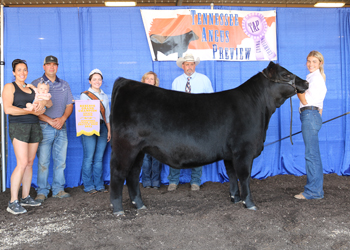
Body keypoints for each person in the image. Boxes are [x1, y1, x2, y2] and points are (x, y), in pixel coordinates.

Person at [2, 59, 51, 214]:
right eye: (19, 70)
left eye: (25, 70)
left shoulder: (32, 89)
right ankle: (12, 202)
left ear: (27, 72)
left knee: (30, 163)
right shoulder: (9, 87)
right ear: (13, 72)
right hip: (19, 126)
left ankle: (25, 196)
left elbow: (46, 104)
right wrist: (30, 111)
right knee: (22, 163)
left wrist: (42, 105)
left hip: (34, 126)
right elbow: (8, 109)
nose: (22, 73)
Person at [168, 54, 214, 192]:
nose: (189, 67)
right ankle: (173, 180)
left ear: (195, 65)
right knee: (176, 150)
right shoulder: (176, 82)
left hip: (198, 121)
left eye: (192, 64)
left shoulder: (204, 80)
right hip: (180, 122)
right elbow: (173, 103)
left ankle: (195, 181)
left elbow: (211, 100)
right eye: (187, 64)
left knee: (197, 151)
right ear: (183, 66)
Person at [32, 55, 74, 203]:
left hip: (61, 126)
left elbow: (70, 105)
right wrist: (50, 120)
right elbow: (33, 109)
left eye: (54, 65)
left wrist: (62, 119)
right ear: (44, 67)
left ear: (57, 67)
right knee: (43, 161)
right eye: (48, 64)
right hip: (43, 127)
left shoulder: (64, 84)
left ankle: (58, 189)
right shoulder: (36, 84)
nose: (51, 67)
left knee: (60, 161)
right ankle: (42, 191)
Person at [295, 50, 327, 200]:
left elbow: (305, 101)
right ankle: (316, 189)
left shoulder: (315, 79)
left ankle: (313, 191)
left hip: (309, 114)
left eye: (314, 61)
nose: (310, 64)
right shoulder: (315, 78)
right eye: (308, 61)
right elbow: (320, 106)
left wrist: (297, 88)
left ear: (320, 63)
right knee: (313, 154)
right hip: (312, 115)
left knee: (311, 155)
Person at [80, 69, 111, 194]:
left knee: (99, 158)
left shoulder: (105, 96)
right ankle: (88, 185)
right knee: (89, 157)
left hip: (103, 126)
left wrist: (109, 130)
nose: (97, 81)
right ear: (90, 81)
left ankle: (99, 184)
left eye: (99, 79)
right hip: (89, 126)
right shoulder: (85, 95)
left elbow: (107, 115)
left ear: (102, 81)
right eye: (94, 79)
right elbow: (82, 113)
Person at [140, 71, 162, 189]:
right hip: (144, 130)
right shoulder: (139, 96)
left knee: (157, 157)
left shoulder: (159, 95)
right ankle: (146, 181)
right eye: (147, 79)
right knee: (145, 157)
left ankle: (156, 181)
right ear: (143, 80)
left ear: (155, 82)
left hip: (156, 130)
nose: (149, 81)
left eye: (151, 79)